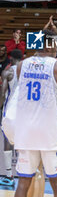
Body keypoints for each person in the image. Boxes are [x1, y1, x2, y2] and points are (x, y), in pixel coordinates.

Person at [14, 30, 57, 197]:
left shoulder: (21, 65)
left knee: (23, 181)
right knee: (56, 182)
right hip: (48, 133)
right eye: (55, 44)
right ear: (48, 44)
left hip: (25, 131)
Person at [0, 49, 22, 186]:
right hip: (24, 111)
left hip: (9, 110)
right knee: (23, 141)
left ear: (11, 58)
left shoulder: (7, 72)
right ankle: (26, 172)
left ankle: (9, 175)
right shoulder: (26, 72)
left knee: (7, 140)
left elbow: (3, 95)